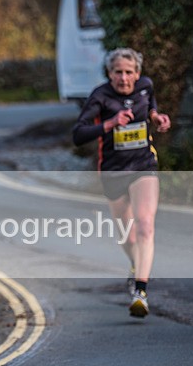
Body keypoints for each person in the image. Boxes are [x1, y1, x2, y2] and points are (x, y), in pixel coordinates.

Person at [73, 48, 171, 317]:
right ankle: (135, 263)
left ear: (137, 74)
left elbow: (151, 107)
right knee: (126, 236)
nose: (124, 78)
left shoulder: (145, 86)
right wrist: (110, 123)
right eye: (118, 72)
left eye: (129, 72)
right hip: (113, 170)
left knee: (145, 225)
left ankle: (140, 290)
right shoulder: (101, 96)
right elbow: (78, 134)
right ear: (110, 73)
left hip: (143, 165)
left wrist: (156, 118)